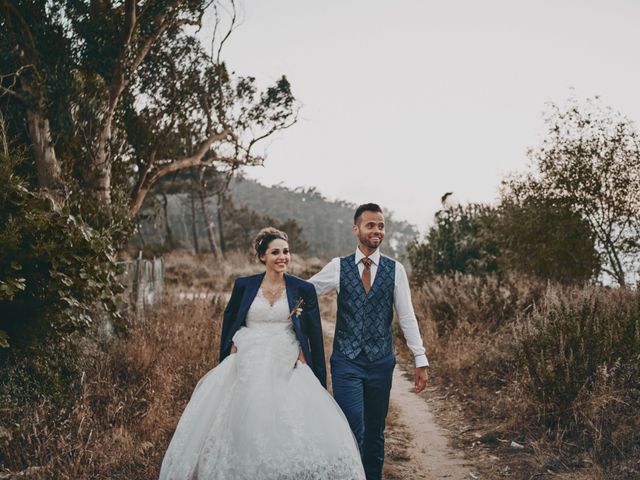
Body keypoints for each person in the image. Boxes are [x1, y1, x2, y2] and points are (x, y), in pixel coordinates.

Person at [159, 227, 365, 480]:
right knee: (239, 417)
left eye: (286, 252)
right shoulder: (244, 285)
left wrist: (312, 366)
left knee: (289, 418)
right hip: (248, 355)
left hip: (286, 356)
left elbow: (313, 332)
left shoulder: (302, 289)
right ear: (262, 257)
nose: (283, 257)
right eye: (275, 252)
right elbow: (231, 319)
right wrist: (231, 345)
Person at [309, 203, 429, 480]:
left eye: (381, 226)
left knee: (375, 430)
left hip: (380, 362)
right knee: (352, 425)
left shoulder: (395, 269)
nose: (377, 231)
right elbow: (305, 292)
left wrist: (419, 358)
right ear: (357, 229)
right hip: (346, 361)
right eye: (370, 225)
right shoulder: (338, 267)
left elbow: (407, 316)